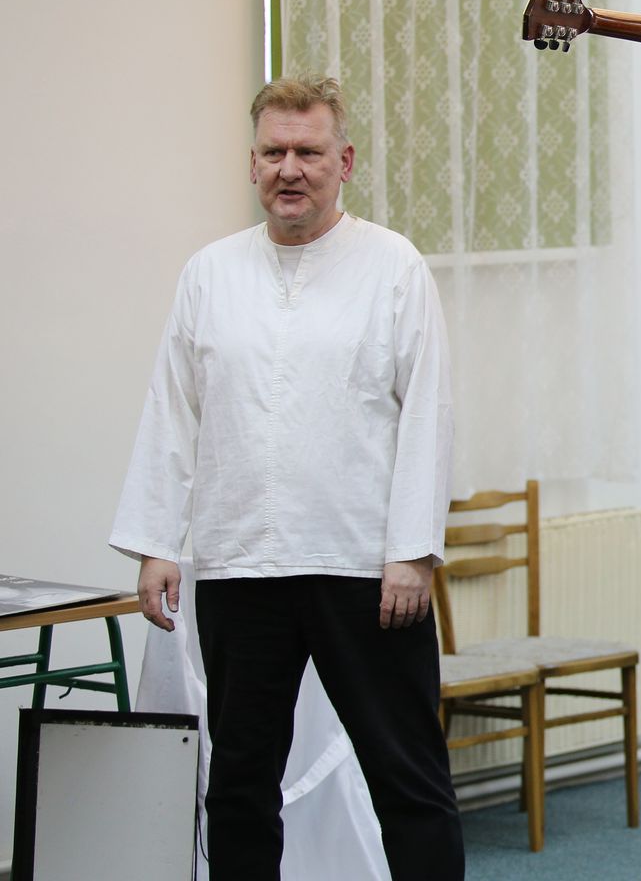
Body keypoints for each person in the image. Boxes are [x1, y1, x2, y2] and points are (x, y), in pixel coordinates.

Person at [109, 75, 463, 879]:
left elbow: (429, 412)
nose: (290, 169)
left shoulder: (394, 267)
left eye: (308, 152)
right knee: (238, 784)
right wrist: (158, 544)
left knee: (407, 777)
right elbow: (173, 408)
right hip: (240, 566)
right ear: (252, 163)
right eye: (274, 152)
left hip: (367, 571)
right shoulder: (209, 273)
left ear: (345, 162)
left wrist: (412, 553)